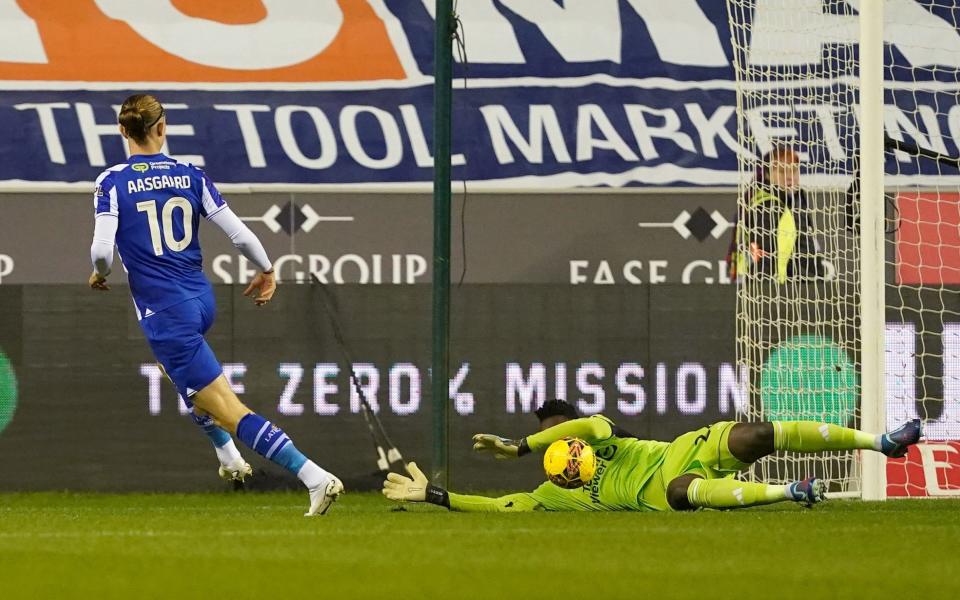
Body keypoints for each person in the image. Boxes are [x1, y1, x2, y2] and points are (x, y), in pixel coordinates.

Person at [88, 94, 342, 516]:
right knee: (185, 380)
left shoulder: (111, 181)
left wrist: (102, 272)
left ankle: (314, 477)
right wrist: (266, 269)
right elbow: (240, 235)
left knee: (227, 409)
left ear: (121, 131)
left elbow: (101, 251)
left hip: (167, 314)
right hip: (200, 301)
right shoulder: (190, 175)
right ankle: (228, 456)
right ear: (162, 128)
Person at [382, 399, 921, 512]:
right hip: (669, 492)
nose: (559, 448)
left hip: (685, 448)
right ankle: (791, 492)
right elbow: (501, 508)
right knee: (680, 491)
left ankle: (880, 442)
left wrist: (523, 444)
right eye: (549, 443)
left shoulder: (601, 435)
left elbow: (585, 424)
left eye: (559, 437)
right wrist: (435, 495)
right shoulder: (551, 496)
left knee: (753, 435)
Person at [726, 146, 826, 283]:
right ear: (767, 174)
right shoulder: (766, 205)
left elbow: (805, 247)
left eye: (794, 170)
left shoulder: (796, 200)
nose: (790, 176)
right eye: (781, 171)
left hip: (802, 287)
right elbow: (765, 257)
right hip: (779, 291)